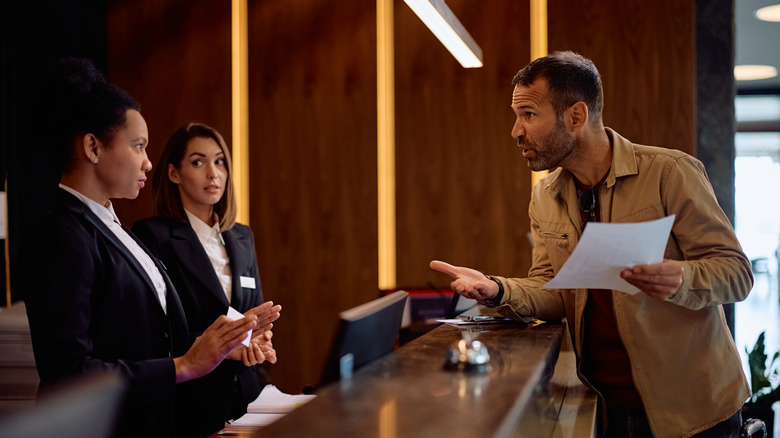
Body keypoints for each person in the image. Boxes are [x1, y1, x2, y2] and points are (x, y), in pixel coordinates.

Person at [430, 51, 753, 438]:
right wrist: (497, 288)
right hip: (607, 406)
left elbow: (736, 274)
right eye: (516, 116)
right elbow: (553, 290)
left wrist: (681, 277)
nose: (516, 131)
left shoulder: (671, 173)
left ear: (576, 117)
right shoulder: (545, 196)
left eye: (528, 115)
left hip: (695, 412)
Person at [17, 58, 281, 438]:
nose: (148, 162)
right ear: (92, 147)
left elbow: (143, 341)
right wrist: (184, 365)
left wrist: (222, 347)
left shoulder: (113, 228)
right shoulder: (60, 234)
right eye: (139, 146)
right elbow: (69, 373)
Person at [132, 123, 274, 437]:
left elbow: (252, 317)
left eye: (219, 161)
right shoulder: (153, 236)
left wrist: (258, 341)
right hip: (190, 404)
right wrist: (225, 345)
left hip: (246, 397)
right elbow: (155, 335)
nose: (213, 173)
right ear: (174, 173)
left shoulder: (242, 236)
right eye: (198, 162)